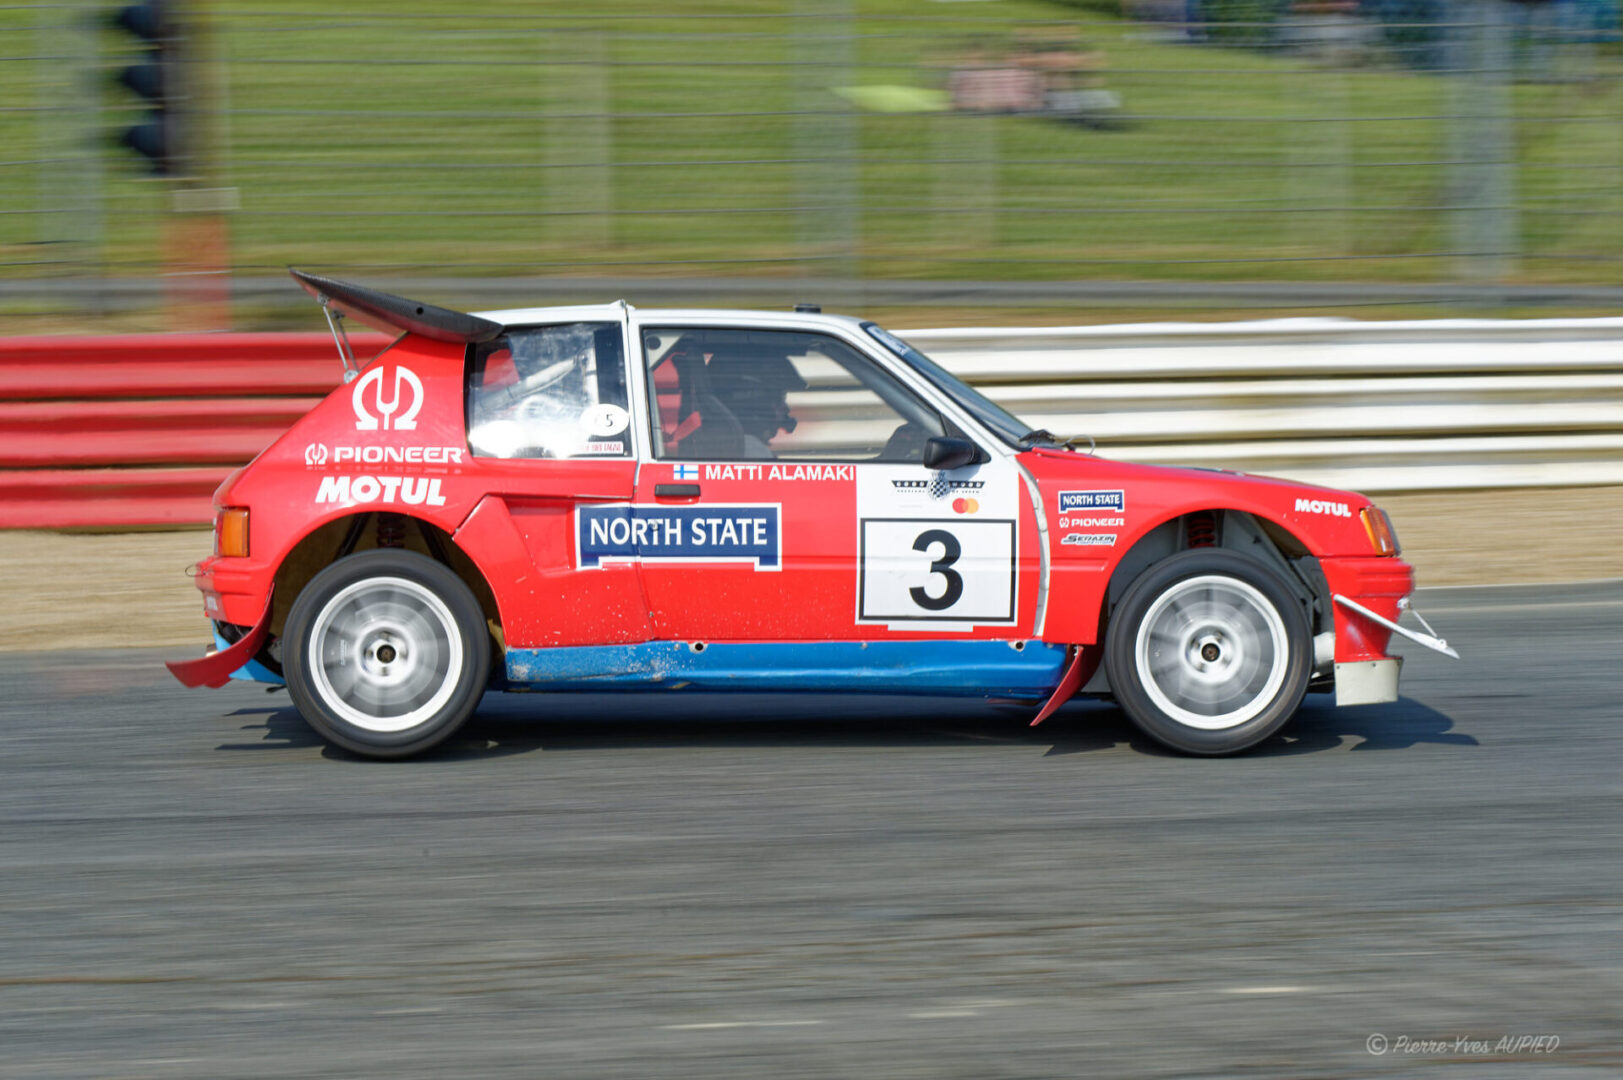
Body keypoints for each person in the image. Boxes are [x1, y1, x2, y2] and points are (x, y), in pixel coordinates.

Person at [704, 346, 807, 459]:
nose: (786, 409)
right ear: (755, 401)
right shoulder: (752, 451)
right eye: (779, 399)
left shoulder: (725, 448)